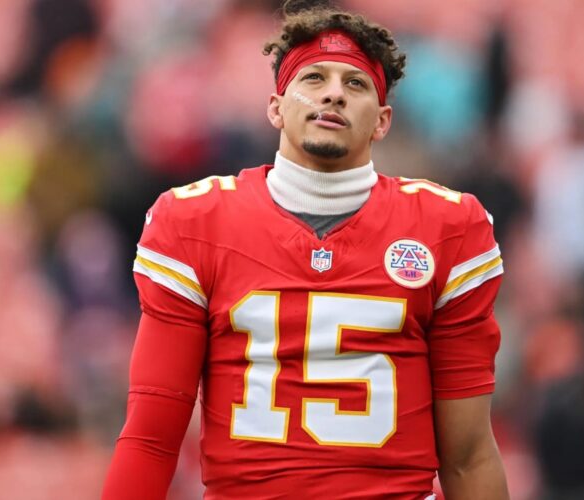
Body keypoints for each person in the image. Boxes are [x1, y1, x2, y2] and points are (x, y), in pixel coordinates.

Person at [102, 1, 510, 498]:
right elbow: (152, 438)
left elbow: (468, 456)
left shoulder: (446, 227)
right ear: (276, 107)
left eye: (355, 83)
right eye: (314, 78)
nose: (334, 93)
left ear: (382, 121)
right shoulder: (194, 223)